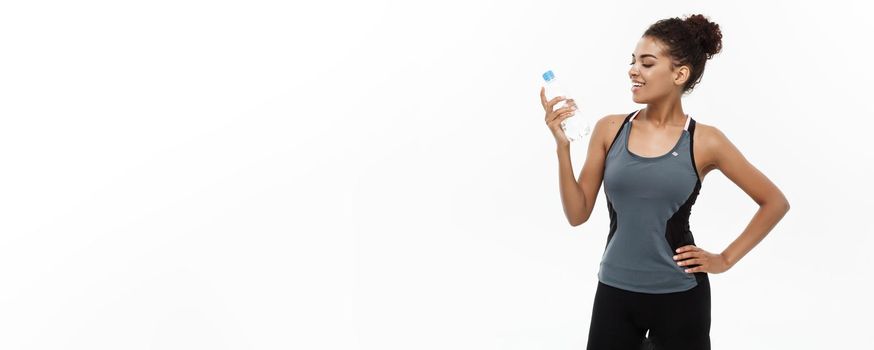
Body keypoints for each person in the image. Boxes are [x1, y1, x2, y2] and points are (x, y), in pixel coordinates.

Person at [539, 14, 790, 350]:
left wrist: (725, 259)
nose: (633, 70)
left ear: (679, 73)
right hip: (615, 292)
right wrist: (562, 147)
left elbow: (774, 202)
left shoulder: (705, 141)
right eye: (632, 61)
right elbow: (577, 213)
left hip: (681, 298)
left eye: (647, 62)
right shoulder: (609, 129)